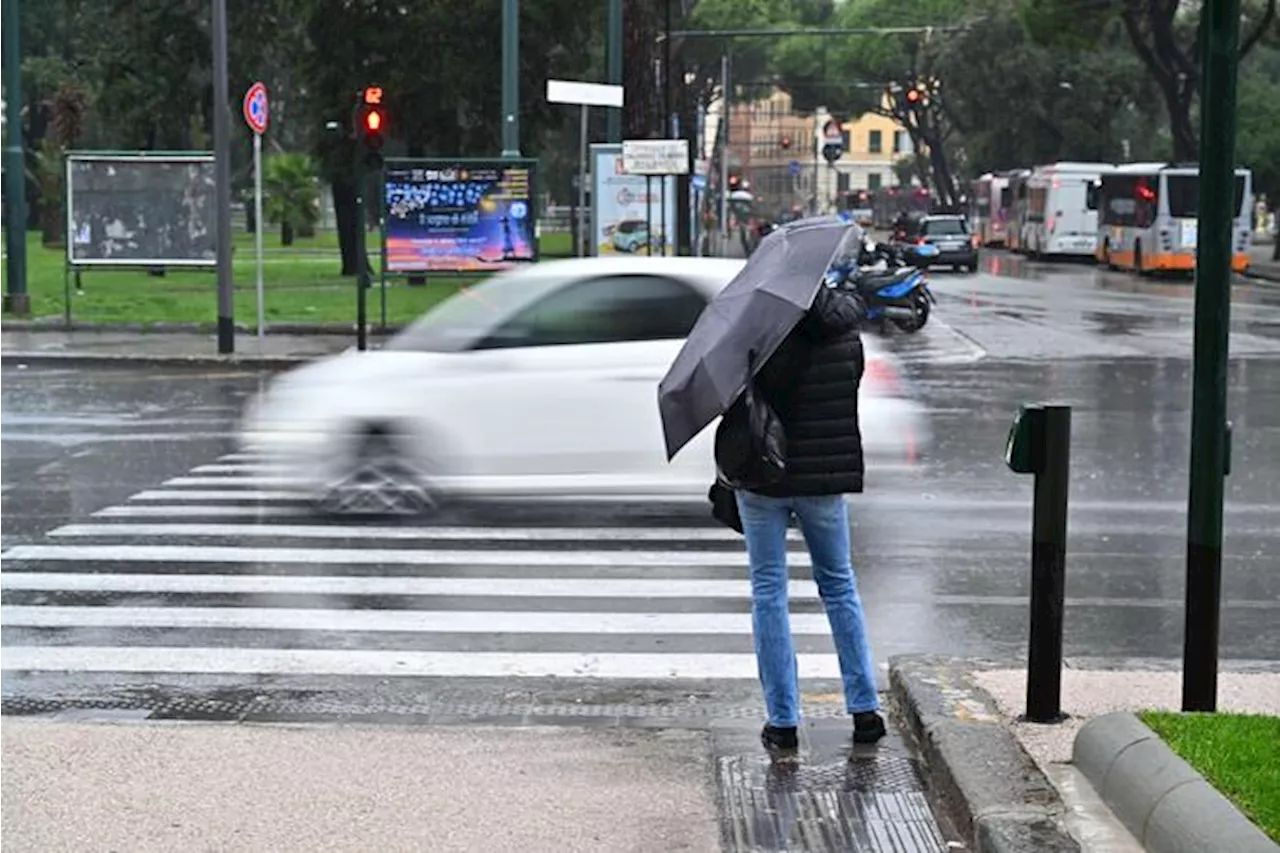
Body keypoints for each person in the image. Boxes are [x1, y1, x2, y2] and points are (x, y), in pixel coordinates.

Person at [726, 272, 886, 756]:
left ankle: (782, 721)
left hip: (764, 478)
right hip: (824, 479)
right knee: (840, 586)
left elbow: (738, 402)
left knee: (769, 590)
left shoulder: (761, 330)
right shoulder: (844, 328)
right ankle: (864, 710)